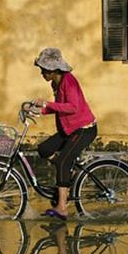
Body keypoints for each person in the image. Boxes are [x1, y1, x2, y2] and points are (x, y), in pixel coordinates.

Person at [33, 47, 97, 221]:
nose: (42, 73)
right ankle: (67, 175)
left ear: (54, 70)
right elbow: (59, 107)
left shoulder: (69, 81)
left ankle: (62, 207)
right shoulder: (56, 83)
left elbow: (73, 107)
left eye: (44, 70)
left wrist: (47, 103)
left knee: (62, 161)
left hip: (84, 128)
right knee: (44, 149)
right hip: (69, 128)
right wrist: (41, 111)